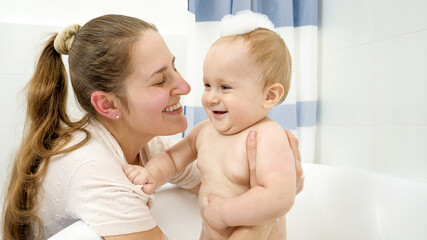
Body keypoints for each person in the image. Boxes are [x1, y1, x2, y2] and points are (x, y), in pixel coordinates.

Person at [1, 14, 303, 240]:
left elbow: (219, 183)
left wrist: (275, 188)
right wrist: (263, 216)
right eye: (160, 80)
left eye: (175, 68)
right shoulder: (94, 171)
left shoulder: (148, 145)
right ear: (108, 105)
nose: (185, 87)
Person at [124, 11, 297, 240]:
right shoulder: (205, 132)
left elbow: (279, 197)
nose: (211, 98)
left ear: (269, 95)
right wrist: (152, 174)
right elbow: (174, 159)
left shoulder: (267, 136)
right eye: (207, 85)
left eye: (225, 87)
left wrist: (224, 214)